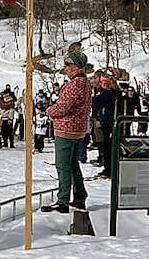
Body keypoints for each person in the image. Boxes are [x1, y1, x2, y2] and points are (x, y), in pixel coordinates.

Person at [42, 49, 92, 213]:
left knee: (63, 165)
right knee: (73, 165)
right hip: (78, 129)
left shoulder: (74, 85)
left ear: (76, 66)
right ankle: (79, 196)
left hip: (66, 129)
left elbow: (63, 107)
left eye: (68, 64)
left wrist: (49, 111)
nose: (65, 68)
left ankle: (62, 200)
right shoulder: (85, 83)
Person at [91, 71, 119, 178]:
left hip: (109, 123)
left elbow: (96, 101)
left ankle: (109, 170)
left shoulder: (108, 93)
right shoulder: (111, 93)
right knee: (107, 147)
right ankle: (108, 168)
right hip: (107, 122)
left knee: (108, 148)